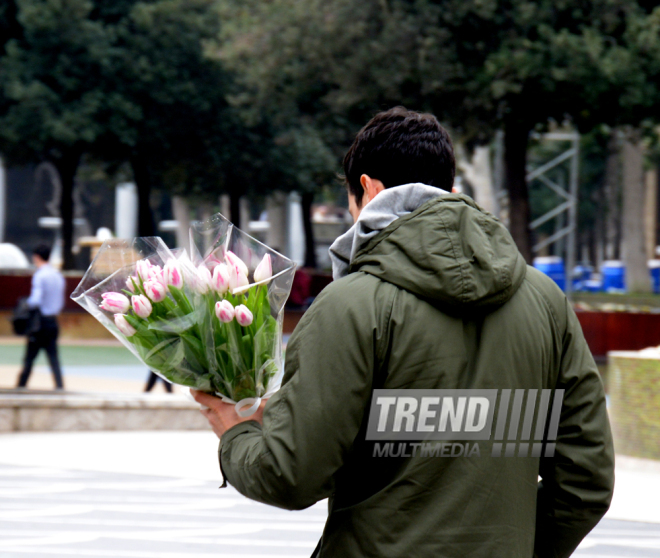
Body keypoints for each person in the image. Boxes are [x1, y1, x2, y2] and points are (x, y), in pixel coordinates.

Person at [193, 107, 614, 558]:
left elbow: (291, 475)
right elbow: (586, 480)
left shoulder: (350, 305)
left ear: (368, 189)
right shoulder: (545, 300)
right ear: (449, 191)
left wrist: (235, 433)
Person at [16, 243, 66, 390]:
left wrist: (25, 305)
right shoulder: (57, 275)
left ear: (36, 257)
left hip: (39, 323)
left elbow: (35, 300)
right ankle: (59, 386)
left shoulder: (40, 275)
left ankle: (21, 386)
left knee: (29, 358)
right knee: (53, 357)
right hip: (53, 321)